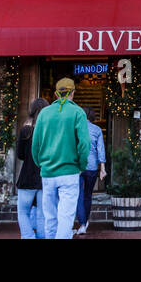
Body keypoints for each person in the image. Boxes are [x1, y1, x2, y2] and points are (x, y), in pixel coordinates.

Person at [32, 77, 91, 240]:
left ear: (56, 94)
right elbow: (85, 144)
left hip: (48, 172)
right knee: (65, 217)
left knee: (50, 217)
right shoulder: (78, 112)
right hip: (69, 171)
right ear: (73, 92)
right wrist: (81, 165)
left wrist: (41, 164)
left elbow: (35, 145)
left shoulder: (44, 113)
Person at [15, 97, 47, 239]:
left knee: (23, 212)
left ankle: (28, 237)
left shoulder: (25, 130)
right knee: (42, 214)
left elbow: (20, 155)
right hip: (44, 177)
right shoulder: (48, 131)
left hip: (26, 176)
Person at [76, 106, 106, 236]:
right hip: (92, 167)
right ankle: (85, 221)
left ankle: (82, 223)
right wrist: (102, 169)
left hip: (77, 166)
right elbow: (101, 150)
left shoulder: (76, 128)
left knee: (78, 195)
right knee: (88, 195)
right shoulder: (97, 129)